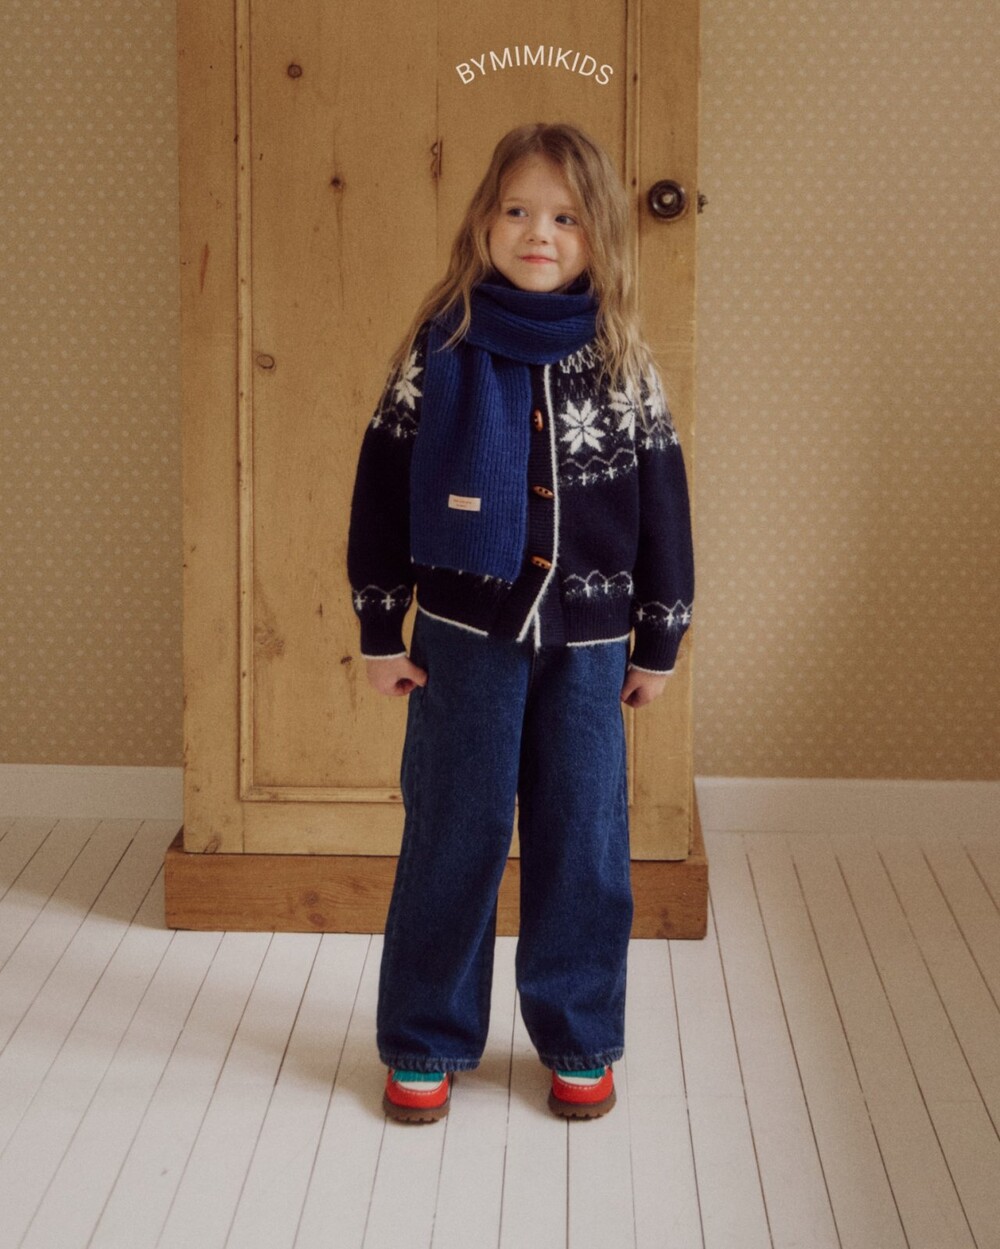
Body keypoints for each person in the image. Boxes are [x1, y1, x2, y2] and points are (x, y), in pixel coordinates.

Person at [347, 121, 694, 1123]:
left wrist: (658, 639)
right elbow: (381, 492)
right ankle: (424, 1037)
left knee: (582, 839)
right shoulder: (442, 346)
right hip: (463, 643)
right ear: (483, 222)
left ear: (599, 235)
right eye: (517, 210)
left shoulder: (623, 360)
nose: (539, 232)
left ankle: (578, 1034)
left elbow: (663, 506)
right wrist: (381, 628)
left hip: (589, 650)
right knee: (451, 833)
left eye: (566, 217)